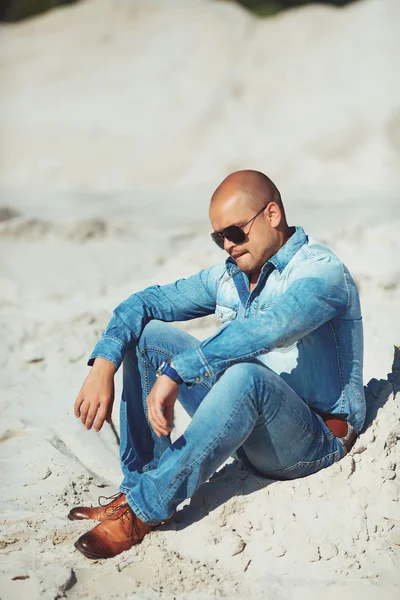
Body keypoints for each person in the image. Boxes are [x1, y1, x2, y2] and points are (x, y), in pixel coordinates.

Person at [70, 170, 365, 560]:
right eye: (218, 237)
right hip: (248, 427)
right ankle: (137, 486)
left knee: (247, 376)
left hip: (313, 439)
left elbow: (272, 327)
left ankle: (145, 510)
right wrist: (103, 365)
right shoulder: (229, 277)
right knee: (148, 335)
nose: (227, 245)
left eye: (235, 232)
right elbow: (144, 303)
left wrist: (180, 370)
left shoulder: (321, 271)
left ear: (272, 214)